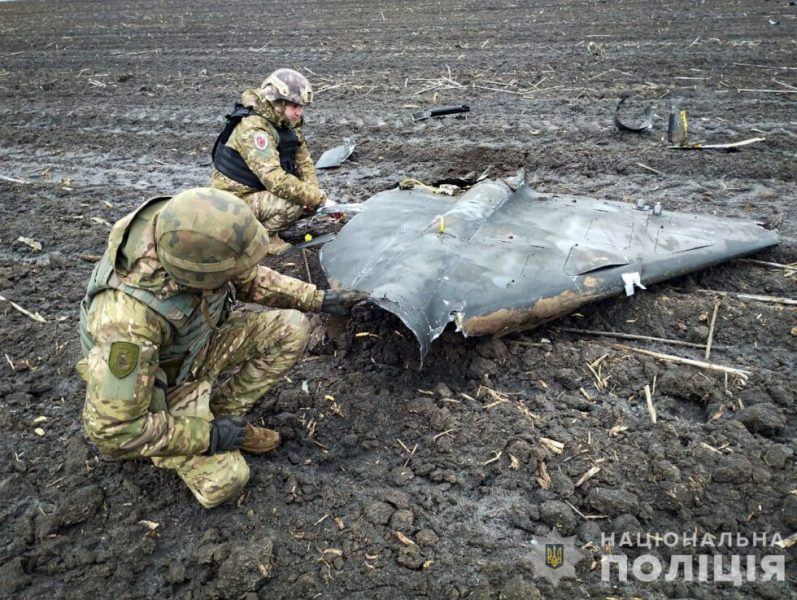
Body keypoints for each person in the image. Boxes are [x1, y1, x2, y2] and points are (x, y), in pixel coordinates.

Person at [76, 188, 367, 509]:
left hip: (194, 343)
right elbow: (112, 431)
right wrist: (208, 436)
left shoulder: (193, 230)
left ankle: (225, 417)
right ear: (198, 277)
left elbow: (250, 280)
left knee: (292, 329)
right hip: (161, 383)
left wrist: (319, 300)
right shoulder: (125, 324)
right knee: (225, 482)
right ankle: (196, 431)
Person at [210, 68, 326, 254]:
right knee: (293, 203)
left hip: (257, 193)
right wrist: (317, 198)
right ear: (279, 103)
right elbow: (274, 179)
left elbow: (304, 163)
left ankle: (265, 226)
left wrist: (316, 196)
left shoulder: (286, 122)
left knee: (307, 199)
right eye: (295, 106)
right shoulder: (254, 129)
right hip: (232, 201)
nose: (299, 112)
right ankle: (262, 239)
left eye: (301, 107)